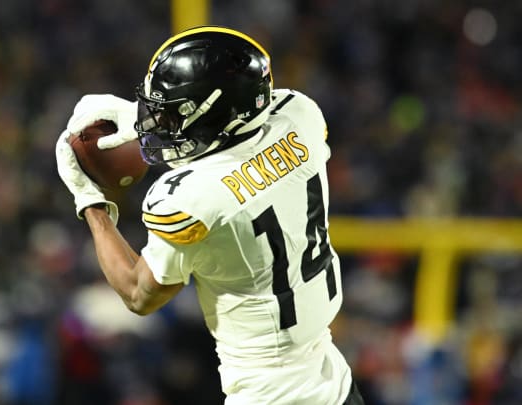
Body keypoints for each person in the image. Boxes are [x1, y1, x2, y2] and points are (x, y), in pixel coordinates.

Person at [56, 26, 364, 405]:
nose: (160, 121)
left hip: (269, 394)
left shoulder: (189, 199)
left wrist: (90, 202)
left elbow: (139, 294)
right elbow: (241, 122)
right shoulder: (302, 117)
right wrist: (138, 113)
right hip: (333, 381)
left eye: (174, 111)